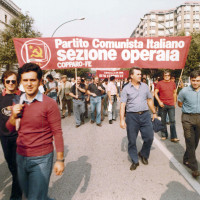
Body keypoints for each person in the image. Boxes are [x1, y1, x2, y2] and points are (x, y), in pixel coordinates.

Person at [6, 63, 64, 200]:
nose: (29, 84)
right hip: (21, 156)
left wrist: (60, 159)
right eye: (25, 80)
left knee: (35, 197)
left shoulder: (49, 103)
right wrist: (14, 115)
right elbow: (9, 128)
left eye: (33, 80)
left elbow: (57, 132)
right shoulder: (18, 101)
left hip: (41, 159)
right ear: (21, 82)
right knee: (31, 195)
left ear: (40, 81)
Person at [120, 67, 157, 171]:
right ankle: (135, 160)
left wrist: (154, 112)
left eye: (140, 74)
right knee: (132, 140)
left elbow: (149, 100)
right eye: (138, 74)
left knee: (149, 137)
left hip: (145, 115)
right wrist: (122, 119)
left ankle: (144, 154)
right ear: (131, 75)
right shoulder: (126, 88)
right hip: (132, 116)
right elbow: (123, 105)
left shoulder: (145, 86)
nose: (140, 76)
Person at [0, 71, 22, 200]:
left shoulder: (21, 96)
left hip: (19, 136)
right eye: (8, 81)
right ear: (4, 82)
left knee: (18, 168)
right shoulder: (0, 97)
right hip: (4, 137)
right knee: (12, 167)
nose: (10, 84)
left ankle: (16, 196)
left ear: (17, 82)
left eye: (13, 81)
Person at [178, 70, 200, 178]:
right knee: (190, 141)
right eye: (193, 80)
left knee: (195, 142)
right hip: (187, 118)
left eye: (198, 80)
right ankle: (194, 167)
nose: (195, 83)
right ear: (190, 80)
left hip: (199, 118)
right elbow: (179, 103)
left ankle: (186, 158)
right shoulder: (184, 91)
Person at [154, 70, 179, 142]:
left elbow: (174, 93)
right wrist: (159, 102)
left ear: (170, 76)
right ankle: (164, 134)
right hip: (163, 105)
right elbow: (155, 93)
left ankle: (174, 136)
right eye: (165, 75)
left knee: (172, 121)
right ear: (163, 76)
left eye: (168, 75)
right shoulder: (159, 83)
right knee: (163, 121)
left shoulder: (173, 83)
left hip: (171, 104)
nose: (167, 77)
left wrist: (174, 102)